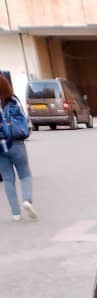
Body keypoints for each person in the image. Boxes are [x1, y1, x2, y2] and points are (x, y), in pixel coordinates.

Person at [0, 73, 37, 222]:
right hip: (15, 142)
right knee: (25, 174)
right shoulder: (13, 100)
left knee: (8, 178)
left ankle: (15, 213)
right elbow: (23, 117)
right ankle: (27, 201)